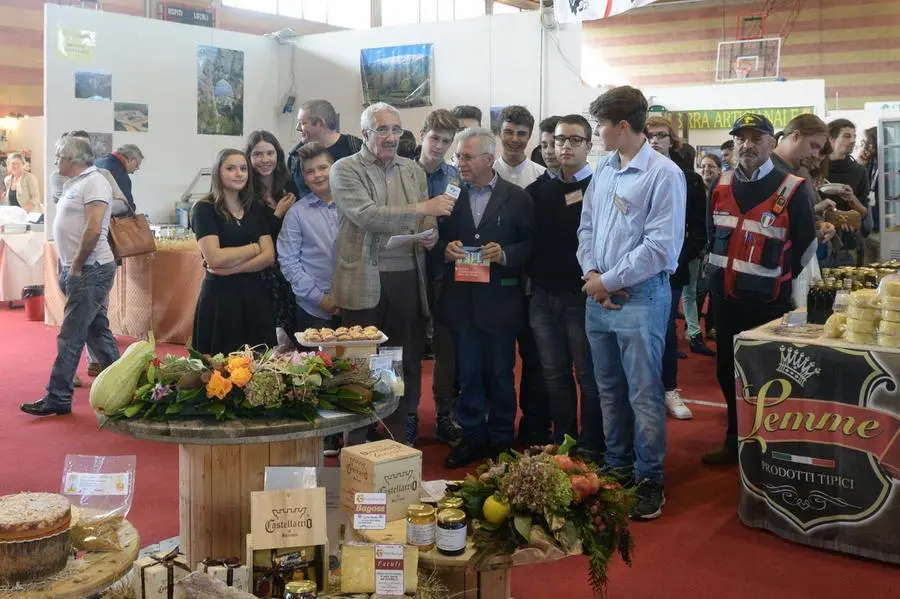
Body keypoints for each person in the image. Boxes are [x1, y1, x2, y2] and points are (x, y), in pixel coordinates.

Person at [577, 85, 685, 520]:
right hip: (598, 295)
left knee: (642, 392)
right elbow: (587, 226)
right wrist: (591, 275)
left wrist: (609, 280)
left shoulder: (664, 174)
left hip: (640, 295)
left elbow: (661, 247)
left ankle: (648, 477)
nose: (598, 133)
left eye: (602, 125)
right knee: (608, 389)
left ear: (623, 126)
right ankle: (618, 465)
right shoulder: (604, 167)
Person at [330, 102, 454, 445]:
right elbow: (368, 216)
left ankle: (395, 437)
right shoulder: (344, 169)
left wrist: (431, 233)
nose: (390, 137)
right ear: (365, 134)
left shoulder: (412, 171)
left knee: (401, 359)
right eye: (381, 130)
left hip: (406, 278)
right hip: (362, 280)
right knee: (357, 362)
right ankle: (353, 440)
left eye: (395, 130)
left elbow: (428, 218)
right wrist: (422, 210)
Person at [701, 113, 817, 466]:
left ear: (771, 142)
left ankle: (767, 446)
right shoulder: (719, 184)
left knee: (767, 374)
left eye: (756, 137)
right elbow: (710, 238)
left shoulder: (792, 188)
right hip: (725, 299)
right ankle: (735, 438)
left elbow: (806, 247)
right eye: (741, 138)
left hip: (768, 304)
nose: (747, 144)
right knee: (726, 369)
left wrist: (774, 279)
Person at [438, 127, 535, 468]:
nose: (459, 162)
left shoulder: (517, 197)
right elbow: (434, 241)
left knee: (500, 374)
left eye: (466, 156)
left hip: (500, 303)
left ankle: (502, 438)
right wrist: (445, 250)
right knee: (468, 375)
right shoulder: (449, 196)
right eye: (458, 156)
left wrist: (506, 253)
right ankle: (472, 436)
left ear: (488, 159)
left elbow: (530, 245)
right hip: (463, 302)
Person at [20, 137, 119, 417]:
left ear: (74, 158)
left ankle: (58, 397)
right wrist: (68, 266)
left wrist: (75, 264)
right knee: (96, 332)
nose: (55, 161)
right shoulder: (73, 183)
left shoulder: (94, 182)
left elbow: (93, 229)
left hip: (90, 268)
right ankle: (131, 386)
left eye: (59, 156)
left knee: (71, 336)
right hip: (77, 268)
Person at [525, 114, 603, 456]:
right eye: (559, 140)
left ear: (589, 145)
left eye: (574, 140)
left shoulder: (600, 186)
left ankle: (590, 443)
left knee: (588, 377)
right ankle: (564, 441)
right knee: (553, 374)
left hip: (582, 297)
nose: (565, 147)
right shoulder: (538, 189)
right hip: (542, 296)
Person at [645, 116, 709, 424]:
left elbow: (699, 229)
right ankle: (641, 392)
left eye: (661, 136)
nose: (655, 141)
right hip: (633, 267)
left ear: (673, 141)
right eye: (650, 135)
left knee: (665, 329)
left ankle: (669, 389)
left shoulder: (689, 180)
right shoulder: (630, 173)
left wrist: (676, 258)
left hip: (670, 269)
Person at [191, 149, 276, 355]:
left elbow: (269, 257)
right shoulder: (204, 209)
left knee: (259, 368)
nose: (239, 174)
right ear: (217, 173)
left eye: (243, 168)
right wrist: (254, 248)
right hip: (221, 298)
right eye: (231, 168)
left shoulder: (256, 208)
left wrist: (230, 269)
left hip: (255, 295)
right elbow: (214, 257)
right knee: (219, 371)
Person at [417, 109, 463, 447]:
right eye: (435, 138)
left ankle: (446, 414)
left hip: (443, 267)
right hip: (405, 263)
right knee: (404, 344)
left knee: (446, 346)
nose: (439, 146)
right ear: (422, 135)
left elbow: (456, 223)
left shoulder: (455, 178)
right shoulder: (401, 171)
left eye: (447, 141)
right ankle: (402, 414)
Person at [245, 130, 300, 350]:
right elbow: (251, 234)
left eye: (270, 153)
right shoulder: (246, 191)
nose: (265, 159)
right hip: (261, 270)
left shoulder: (288, 184)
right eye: (258, 154)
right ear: (249, 157)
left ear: (278, 154)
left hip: (289, 264)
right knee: (266, 336)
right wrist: (277, 213)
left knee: (293, 336)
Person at [278, 142, 339, 331]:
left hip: (356, 305)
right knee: (317, 362)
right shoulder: (296, 214)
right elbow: (289, 262)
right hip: (313, 311)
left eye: (323, 168)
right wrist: (320, 299)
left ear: (335, 169)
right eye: (310, 171)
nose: (318, 175)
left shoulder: (354, 206)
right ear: (304, 178)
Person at [288, 99, 363, 196]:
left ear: (320, 123)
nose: (297, 128)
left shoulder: (355, 149)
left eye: (302, 123)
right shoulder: (296, 156)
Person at [825, 118, 870, 266]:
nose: (853, 141)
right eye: (847, 136)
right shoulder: (817, 168)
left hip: (850, 242)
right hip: (821, 240)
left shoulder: (859, 171)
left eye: (854, 136)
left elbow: (863, 213)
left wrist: (851, 198)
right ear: (831, 139)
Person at [493, 105, 546, 189]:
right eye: (508, 132)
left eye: (521, 134)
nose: (515, 139)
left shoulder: (542, 175)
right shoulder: (487, 174)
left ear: (529, 136)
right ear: (499, 133)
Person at [93, 144, 142, 213]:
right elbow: (129, 207)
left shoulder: (96, 162)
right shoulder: (120, 174)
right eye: (136, 166)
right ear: (132, 160)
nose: (133, 172)